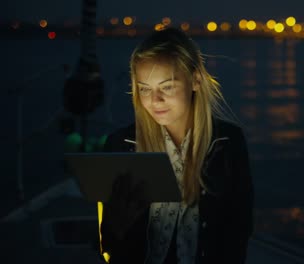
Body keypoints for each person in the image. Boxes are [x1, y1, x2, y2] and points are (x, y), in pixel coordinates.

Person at [99, 27, 254, 264]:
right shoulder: (122, 144)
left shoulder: (227, 142)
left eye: (167, 86)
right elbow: (108, 243)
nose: (154, 100)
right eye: (145, 89)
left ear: (195, 80)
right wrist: (119, 224)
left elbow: (238, 231)